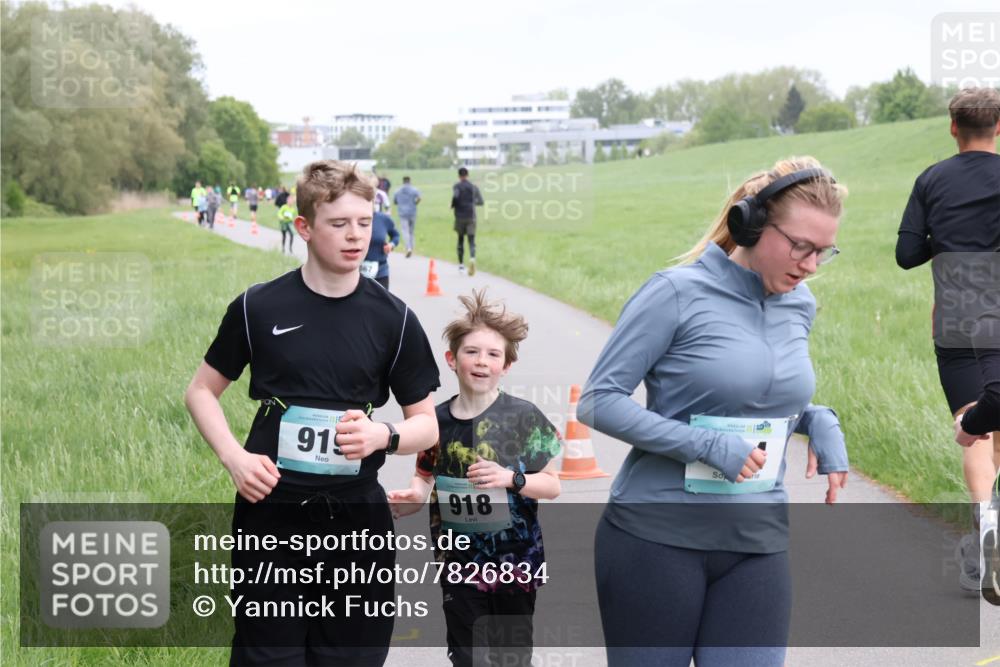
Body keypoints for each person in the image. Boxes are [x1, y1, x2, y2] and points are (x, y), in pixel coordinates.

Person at [578, 157, 850, 667]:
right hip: (655, 540)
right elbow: (599, 401)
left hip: (757, 542)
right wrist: (704, 445)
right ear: (751, 225)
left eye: (823, 252)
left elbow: (757, 397)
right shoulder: (675, 293)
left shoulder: (799, 303)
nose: (811, 265)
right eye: (801, 246)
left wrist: (816, 419)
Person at [184, 159, 441, 666]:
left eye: (364, 222)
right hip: (272, 514)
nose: (356, 236)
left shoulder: (394, 319)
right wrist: (234, 458)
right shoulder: (258, 307)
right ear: (304, 227)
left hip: (356, 519)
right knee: (267, 657)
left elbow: (427, 424)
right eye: (339, 223)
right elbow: (200, 392)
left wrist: (383, 436)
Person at [388, 289, 562, 667]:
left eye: (493, 354)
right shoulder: (434, 421)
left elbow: (552, 485)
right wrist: (415, 495)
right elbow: (424, 474)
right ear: (452, 359)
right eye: (472, 352)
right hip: (458, 564)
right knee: (468, 657)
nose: (482, 361)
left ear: (506, 365)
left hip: (516, 563)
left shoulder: (523, 416)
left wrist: (512, 479)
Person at [895, 87, 1000, 590]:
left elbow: (906, 255)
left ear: (953, 127)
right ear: (999, 127)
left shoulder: (931, 180)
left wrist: (947, 239)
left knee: (973, 425)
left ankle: (985, 527)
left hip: (956, 320)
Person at [451, 167, 484, 275]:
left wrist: (453, 205)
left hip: (460, 217)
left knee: (460, 240)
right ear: (467, 175)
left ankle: (461, 266)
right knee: (471, 240)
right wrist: (472, 202)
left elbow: (455, 197)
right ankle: (472, 258)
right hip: (471, 217)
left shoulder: (456, 186)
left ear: (459, 176)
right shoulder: (473, 187)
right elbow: (481, 202)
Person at [363, 199, 400, 290]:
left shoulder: (383, 219)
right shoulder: (354, 219)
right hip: (358, 271)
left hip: (381, 269)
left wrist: (391, 244)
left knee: (382, 298)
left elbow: (395, 235)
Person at [393, 176, 422, 258]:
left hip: (402, 213)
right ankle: (412, 248)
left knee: (405, 231)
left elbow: (395, 201)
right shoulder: (414, 189)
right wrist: (415, 203)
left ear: (403, 181)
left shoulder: (398, 190)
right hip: (412, 212)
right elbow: (419, 198)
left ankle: (408, 248)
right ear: (410, 181)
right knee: (411, 232)